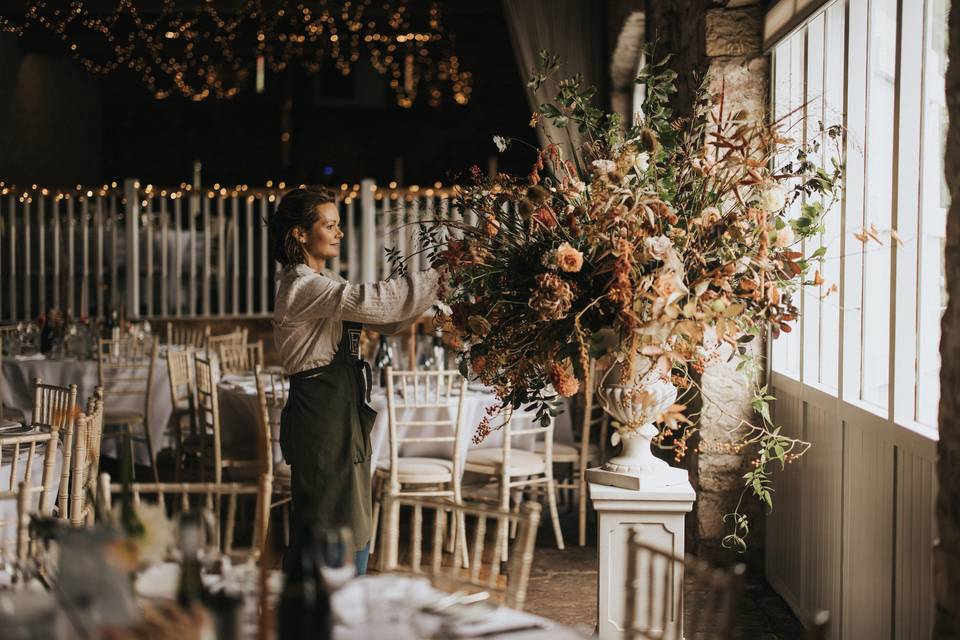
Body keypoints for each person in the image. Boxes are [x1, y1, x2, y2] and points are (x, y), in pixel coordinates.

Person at [270, 186, 441, 575]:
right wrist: (440, 274)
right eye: (329, 226)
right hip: (321, 417)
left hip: (342, 411)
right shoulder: (302, 285)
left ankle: (344, 602)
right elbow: (371, 299)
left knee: (353, 519)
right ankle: (326, 607)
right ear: (300, 233)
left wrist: (436, 290)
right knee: (330, 521)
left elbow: (387, 318)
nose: (339, 233)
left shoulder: (324, 278)